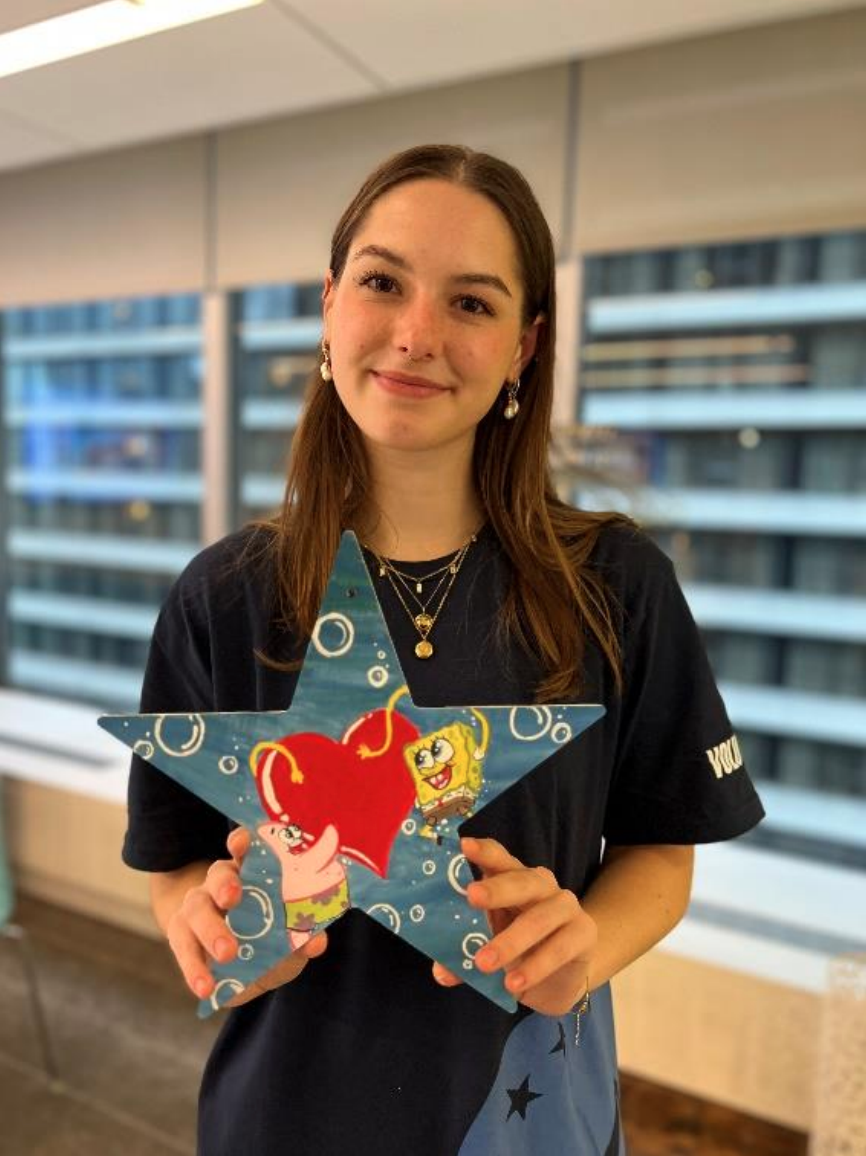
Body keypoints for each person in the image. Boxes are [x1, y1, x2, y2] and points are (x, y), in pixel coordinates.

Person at [124, 144, 765, 1156]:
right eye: (382, 283)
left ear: (522, 346)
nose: (416, 334)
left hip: (525, 1120)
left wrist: (585, 942)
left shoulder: (615, 583)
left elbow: (661, 848)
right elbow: (175, 861)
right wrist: (210, 933)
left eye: (471, 303)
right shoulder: (222, 597)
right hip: (285, 1118)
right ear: (331, 305)